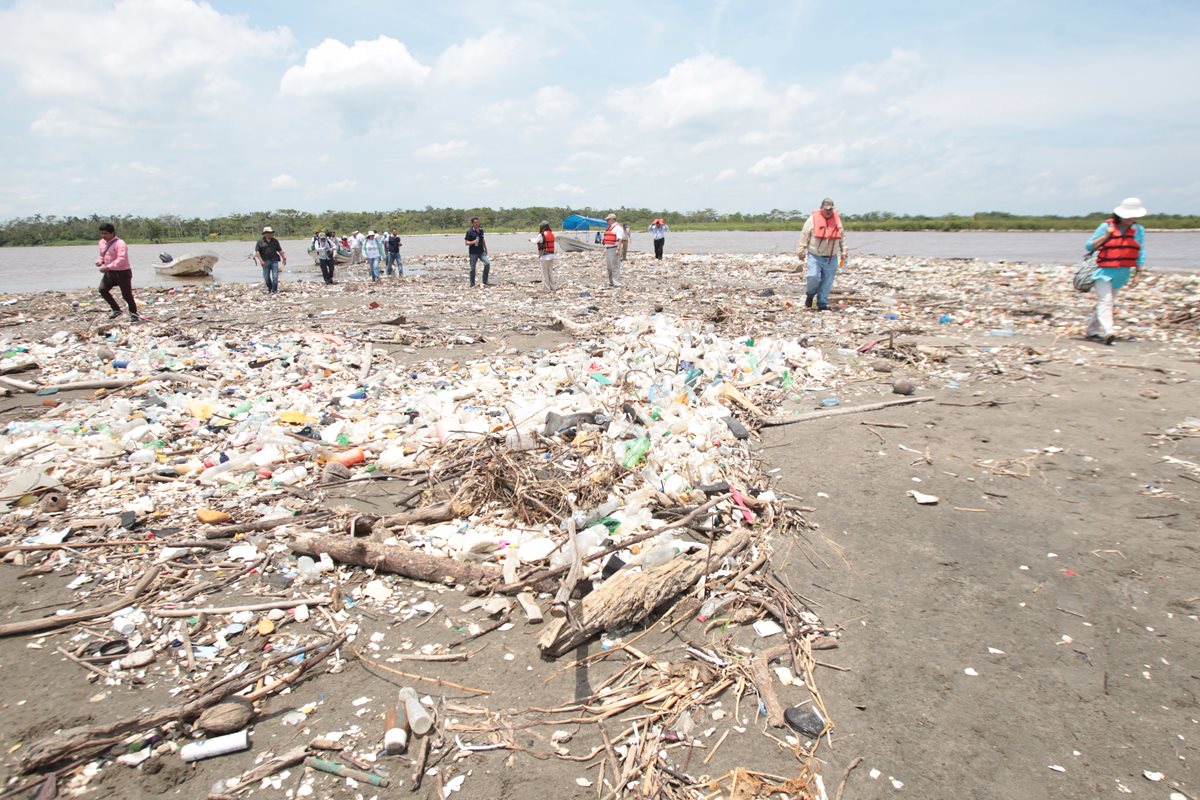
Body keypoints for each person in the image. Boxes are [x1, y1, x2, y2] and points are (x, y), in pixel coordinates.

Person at [1083, 197, 1147, 345]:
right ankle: (1109, 331)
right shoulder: (1106, 227)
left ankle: (1092, 330)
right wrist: (1107, 235)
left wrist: (1139, 272)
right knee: (1106, 301)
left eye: (1134, 215)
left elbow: (1141, 251)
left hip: (1122, 272)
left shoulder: (1139, 230)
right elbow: (1088, 246)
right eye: (1128, 215)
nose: (1131, 218)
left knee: (1106, 302)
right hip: (1103, 271)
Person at [796, 198, 847, 311]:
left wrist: (844, 250)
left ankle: (822, 304)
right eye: (826, 209)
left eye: (830, 209)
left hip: (831, 257)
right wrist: (801, 251)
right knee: (812, 276)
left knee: (827, 281)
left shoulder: (837, 220)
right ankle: (810, 295)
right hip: (815, 256)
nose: (828, 211)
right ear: (821, 208)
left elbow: (842, 237)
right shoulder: (812, 219)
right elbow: (804, 235)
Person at [95, 223, 139, 321]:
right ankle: (116, 309)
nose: (103, 236)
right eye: (101, 233)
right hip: (110, 273)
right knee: (103, 289)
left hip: (122, 272)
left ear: (112, 233)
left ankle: (134, 314)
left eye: (105, 233)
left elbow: (121, 259)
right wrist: (99, 261)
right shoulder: (101, 242)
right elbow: (102, 255)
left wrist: (108, 267)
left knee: (126, 295)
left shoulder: (120, 243)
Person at [254, 225, 286, 294]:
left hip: (274, 260)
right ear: (265, 233)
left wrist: (284, 258)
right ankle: (270, 288)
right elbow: (257, 252)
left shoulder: (275, 241)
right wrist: (261, 260)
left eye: (271, 232)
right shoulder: (260, 242)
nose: (271, 234)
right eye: (269, 232)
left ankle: (274, 290)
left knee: (275, 276)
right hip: (265, 261)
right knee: (266, 277)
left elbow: (280, 250)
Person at [465, 217, 491, 287]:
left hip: (481, 251)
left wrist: (486, 248)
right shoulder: (469, 231)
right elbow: (466, 242)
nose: (477, 223)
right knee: (472, 269)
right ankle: (472, 284)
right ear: (472, 223)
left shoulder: (481, 230)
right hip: (473, 253)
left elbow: (482, 240)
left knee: (487, 263)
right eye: (476, 222)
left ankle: (485, 281)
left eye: (478, 222)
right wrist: (474, 242)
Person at [601, 213, 625, 287]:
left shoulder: (618, 228)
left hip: (614, 248)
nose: (607, 221)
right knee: (609, 267)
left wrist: (618, 249)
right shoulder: (610, 228)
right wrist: (605, 248)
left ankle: (616, 282)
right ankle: (611, 282)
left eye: (608, 220)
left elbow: (620, 239)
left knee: (615, 266)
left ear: (612, 219)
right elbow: (606, 240)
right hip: (608, 249)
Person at [535, 221, 557, 291]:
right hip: (552, 255)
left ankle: (546, 288)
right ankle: (553, 287)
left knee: (544, 272)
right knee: (550, 272)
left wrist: (530, 240)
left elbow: (535, 242)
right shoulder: (551, 234)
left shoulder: (541, 235)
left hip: (544, 256)